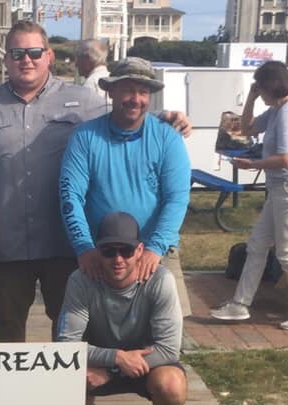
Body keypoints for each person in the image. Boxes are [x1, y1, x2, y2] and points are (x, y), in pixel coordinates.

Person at [0, 24, 190, 343]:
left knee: (72, 329)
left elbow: (127, 113)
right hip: (7, 243)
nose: (26, 60)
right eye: (18, 53)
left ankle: (75, 393)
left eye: (34, 53)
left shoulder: (83, 100)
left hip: (63, 245)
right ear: (6, 59)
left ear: (49, 56)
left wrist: (168, 118)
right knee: (6, 328)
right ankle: (10, 393)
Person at [57, 211, 186, 405]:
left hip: (149, 365)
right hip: (101, 365)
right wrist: (116, 358)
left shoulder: (160, 280)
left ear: (139, 250)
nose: (118, 259)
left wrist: (116, 367)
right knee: (67, 376)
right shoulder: (80, 280)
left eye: (126, 251)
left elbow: (170, 350)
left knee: (172, 385)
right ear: (97, 251)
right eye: (108, 251)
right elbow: (65, 345)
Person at [59, 57, 191, 297]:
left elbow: (177, 198)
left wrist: (154, 249)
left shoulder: (168, 138)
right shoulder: (84, 137)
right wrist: (83, 247)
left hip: (157, 251)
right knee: (95, 329)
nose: (136, 99)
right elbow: (70, 196)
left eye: (143, 91)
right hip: (102, 255)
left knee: (165, 331)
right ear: (110, 91)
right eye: (128, 90)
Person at [209, 60, 288, 331]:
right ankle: (240, 305)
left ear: (269, 86)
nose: (259, 90)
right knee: (257, 245)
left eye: (260, 86)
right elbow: (245, 129)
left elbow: (285, 158)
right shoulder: (277, 109)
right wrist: (250, 97)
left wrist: (252, 165)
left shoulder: (287, 114)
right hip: (281, 189)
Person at [75, 38, 109, 103]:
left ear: (88, 58)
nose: (76, 64)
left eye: (78, 58)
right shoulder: (113, 80)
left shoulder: (91, 85)